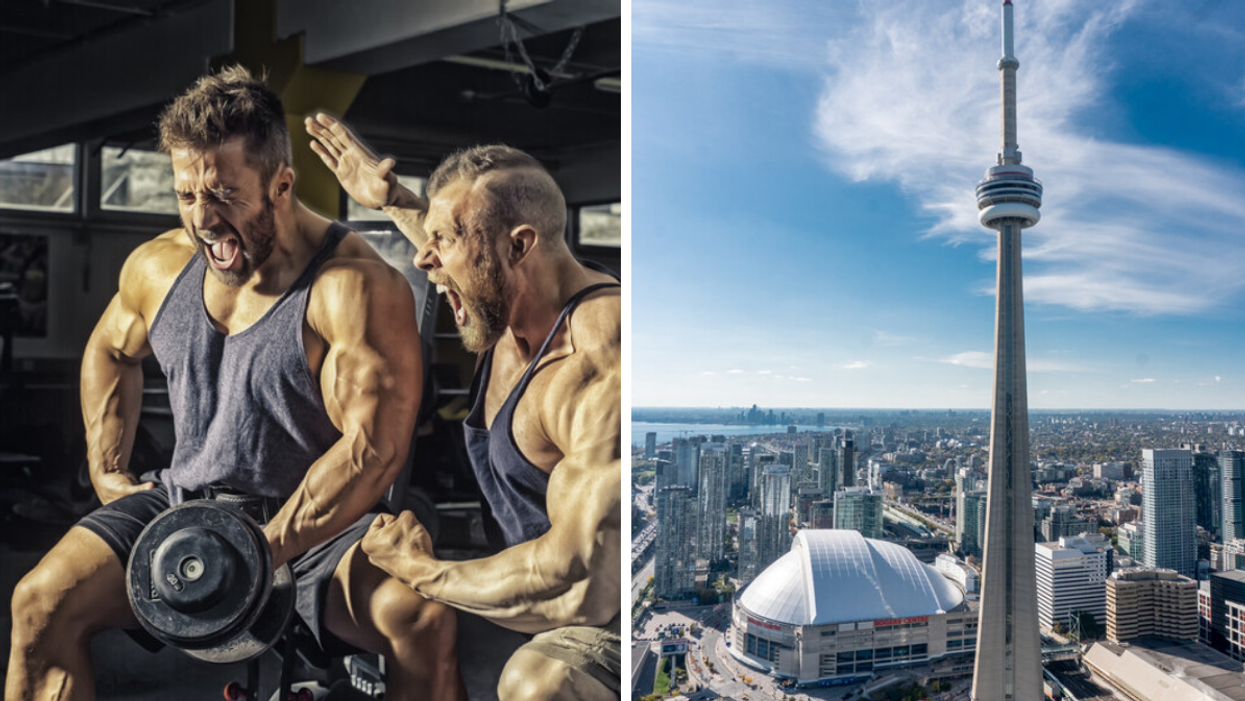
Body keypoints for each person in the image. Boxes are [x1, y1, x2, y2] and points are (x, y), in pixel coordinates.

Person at [5, 67, 464, 701]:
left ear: (281, 184)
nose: (204, 220)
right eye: (187, 195)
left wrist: (258, 550)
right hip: (183, 502)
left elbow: (373, 451)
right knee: (40, 602)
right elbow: (111, 349)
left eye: (223, 194)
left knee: (421, 619)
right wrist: (107, 470)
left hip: (316, 529)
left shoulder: (353, 287)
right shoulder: (158, 268)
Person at [306, 113, 622, 700]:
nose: (426, 259)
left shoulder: (597, 363)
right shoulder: (512, 297)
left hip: (615, 612)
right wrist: (395, 201)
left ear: (519, 245)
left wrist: (423, 573)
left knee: (537, 684)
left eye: (443, 241)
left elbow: (579, 585)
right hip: (555, 592)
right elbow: (467, 253)